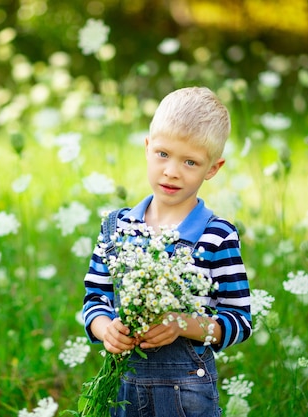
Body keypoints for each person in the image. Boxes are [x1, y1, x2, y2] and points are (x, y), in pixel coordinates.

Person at [82, 86, 252, 417]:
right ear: (147, 148)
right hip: (124, 389)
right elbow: (95, 298)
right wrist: (106, 330)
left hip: (187, 395)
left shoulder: (217, 236)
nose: (172, 171)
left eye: (190, 161)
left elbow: (240, 320)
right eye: (163, 154)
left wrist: (182, 324)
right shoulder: (118, 228)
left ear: (213, 169)